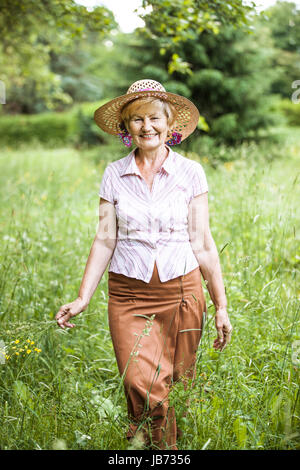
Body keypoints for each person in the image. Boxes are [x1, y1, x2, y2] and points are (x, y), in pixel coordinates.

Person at [55, 79, 233, 450]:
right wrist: (83, 296)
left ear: (170, 125)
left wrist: (221, 305)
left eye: (154, 118)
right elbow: (105, 238)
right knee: (142, 382)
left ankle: (157, 450)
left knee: (178, 385)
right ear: (126, 127)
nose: (146, 126)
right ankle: (160, 451)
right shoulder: (113, 174)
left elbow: (202, 242)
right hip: (129, 295)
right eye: (136, 119)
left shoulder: (191, 173)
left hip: (182, 292)